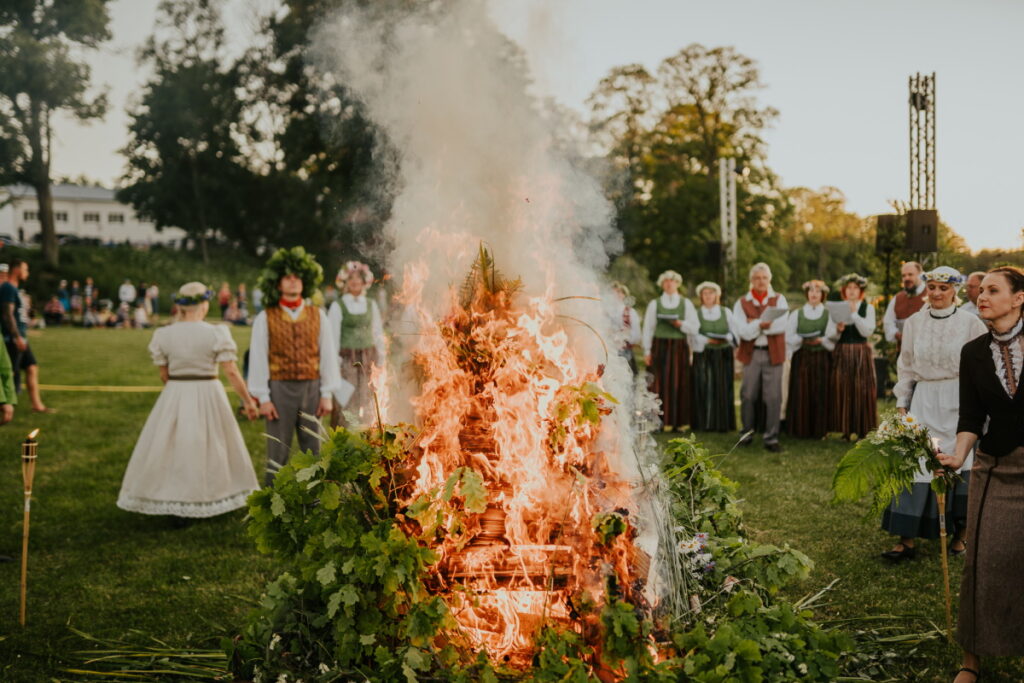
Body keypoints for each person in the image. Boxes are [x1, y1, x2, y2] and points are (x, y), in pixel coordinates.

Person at [937, 266, 1024, 683]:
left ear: (1018, 298)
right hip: (996, 469)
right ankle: (971, 661)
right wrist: (958, 455)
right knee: (983, 562)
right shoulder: (972, 352)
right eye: (981, 290)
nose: (982, 296)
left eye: (993, 290)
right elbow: (971, 414)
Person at [117, 282, 260, 518]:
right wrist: (247, 400)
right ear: (204, 304)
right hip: (209, 391)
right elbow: (231, 371)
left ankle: (174, 496)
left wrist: (179, 388)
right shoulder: (216, 332)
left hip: (176, 391)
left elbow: (164, 375)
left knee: (173, 446)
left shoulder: (163, 334)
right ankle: (212, 494)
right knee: (212, 444)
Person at [881, 267, 987, 564]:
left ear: (955, 290)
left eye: (943, 288)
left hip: (958, 399)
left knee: (960, 461)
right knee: (917, 460)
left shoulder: (971, 323)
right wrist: (903, 402)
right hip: (924, 398)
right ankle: (907, 537)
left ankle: (960, 534)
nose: (937, 293)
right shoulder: (914, 322)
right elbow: (907, 364)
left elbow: (981, 366)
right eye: (933, 287)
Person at [248, 247, 341, 485]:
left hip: (312, 386)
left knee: (313, 446)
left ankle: (316, 499)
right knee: (278, 448)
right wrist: (263, 397)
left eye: (297, 277)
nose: (292, 282)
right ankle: (273, 499)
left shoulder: (318, 315)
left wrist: (327, 393)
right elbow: (258, 358)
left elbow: (328, 354)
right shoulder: (265, 317)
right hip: (279, 389)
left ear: (304, 282)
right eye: (287, 277)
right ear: (278, 284)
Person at [733, 263, 789, 451]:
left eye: (764, 278)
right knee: (747, 395)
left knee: (773, 397)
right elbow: (743, 332)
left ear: (769, 279)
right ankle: (746, 433)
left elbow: (782, 326)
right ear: (751, 280)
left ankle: (771, 438)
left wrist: (754, 323)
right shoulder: (741, 302)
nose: (761, 281)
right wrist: (762, 324)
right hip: (752, 353)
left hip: (774, 353)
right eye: (757, 278)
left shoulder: (779, 299)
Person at [327, 261, 386, 427]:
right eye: (350, 278)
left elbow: (377, 332)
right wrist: (336, 364)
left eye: (358, 278)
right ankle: (345, 438)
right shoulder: (338, 306)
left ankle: (368, 435)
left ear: (363, 281)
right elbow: (332, 337)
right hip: (347, 359)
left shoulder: (370, 304)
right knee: (347, 401)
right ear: (345, 282)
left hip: (368, 358)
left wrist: (381, 357)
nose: (354, 281)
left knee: (368, 399)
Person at [642, 270, 699, 431]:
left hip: (679, 348)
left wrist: (680, 324)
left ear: (677, 284)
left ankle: (677, 422)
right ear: (662, 284)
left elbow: (695, 327)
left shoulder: (685, 304)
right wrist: (647, 351)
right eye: (666, 281)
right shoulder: (655, 304)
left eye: (672, 281)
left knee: (678, 383)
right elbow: (648, 328)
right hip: (659, 347)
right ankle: (656, 423)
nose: (669, 284)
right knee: (658, 384)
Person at [827, 273, 877, 440]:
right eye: (849, 288)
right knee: (843, 388)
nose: (852, 291)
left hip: (860, 351)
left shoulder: (867, 308)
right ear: (844, 290)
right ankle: (846, 429)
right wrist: (838, 330)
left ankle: (862, 429)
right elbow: (830, 335)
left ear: (861, 291)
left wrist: (855, 315)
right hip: (842, 351)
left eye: (855, 288)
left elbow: (867, 331)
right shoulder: (838, 308)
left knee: (861, 389)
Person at [785, 280, 834, 439]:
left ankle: (820, 430)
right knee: (801, 391)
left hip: (821, 357)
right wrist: (801, 340)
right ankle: (800, 429)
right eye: (811, 291)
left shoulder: (828, 314)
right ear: (807, 293)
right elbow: (789, 336)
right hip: (803, 356)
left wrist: (821, 341)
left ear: (823, 294)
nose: (814, 294)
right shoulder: (796, 314)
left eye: (817, 291)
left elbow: (832, 338)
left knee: (820, 392)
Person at [0, 259, 51, 413]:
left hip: (20, 338)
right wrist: (16, 337)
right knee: (11, 373)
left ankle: (37, 405)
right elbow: (7, 314)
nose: (27, 273)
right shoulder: (8, 288)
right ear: (17, 270)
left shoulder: (14, 289)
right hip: (12, 339)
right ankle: (7, 408)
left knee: (32, 367)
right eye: (25, 269)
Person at [690, 281, 737, 432]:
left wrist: (726, 338)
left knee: (723, 387)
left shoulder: (726, 312)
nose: (708, 296)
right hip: (704, 353)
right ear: (701, 296)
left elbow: (734, 333)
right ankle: (705, 424)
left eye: (711, 293)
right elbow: (693, 335)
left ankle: (723, 424)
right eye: (705, 293)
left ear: (717, 295)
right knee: (705, 386)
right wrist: (708, 340)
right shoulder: (696, 314)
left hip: (723, 353)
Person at [882, 261, 926, 346]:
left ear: (920, 275)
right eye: (904, 276)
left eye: (910, 274)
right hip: (902, 352)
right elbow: (888, 322)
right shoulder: (897, 298)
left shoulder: (931, 295)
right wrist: (897, 334)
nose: (906, 278)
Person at [611, 282, 641, 374]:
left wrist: (626, 335)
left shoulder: (630, 312)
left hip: (625, 352)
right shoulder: (604, 310)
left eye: (619, 292)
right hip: (607, 350)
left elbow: (637, 335)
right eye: (613, 292)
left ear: (624, 295)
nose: (616, 295)